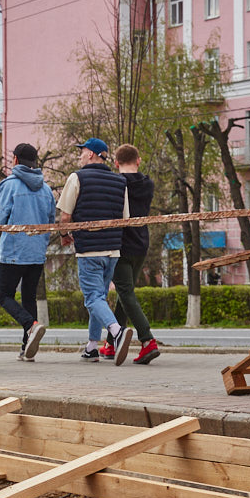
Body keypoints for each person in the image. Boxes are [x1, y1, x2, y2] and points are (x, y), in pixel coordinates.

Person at [57, 137, 133, 365]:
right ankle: (92, 346)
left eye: (82, 151)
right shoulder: (120, 182)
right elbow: (124, 219)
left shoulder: (76, 177)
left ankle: (116, 331)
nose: (79, 155)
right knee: (99, 297)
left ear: (92, 154)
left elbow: (65, 216)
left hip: (89, 250)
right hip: (112, 250)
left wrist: (63, 235)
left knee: (91, 299)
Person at [0, 143, 55, 362]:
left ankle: (30, 325)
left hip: (13, 250)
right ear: (35, 162)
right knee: (29, 298)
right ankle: (27, 348)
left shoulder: (10, 186)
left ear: (15, 160)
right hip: (37, 252)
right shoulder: (46, 189)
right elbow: (50, 221)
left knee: (4, 295)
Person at [99, 144, 161, 365]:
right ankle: (110, 344)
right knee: (126, 293)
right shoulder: (148, 184)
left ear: (116, 163)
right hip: (141, 244)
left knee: (125, 293)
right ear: (139, 160)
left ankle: (147, 340)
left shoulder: (115, 183)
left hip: (120, 244)